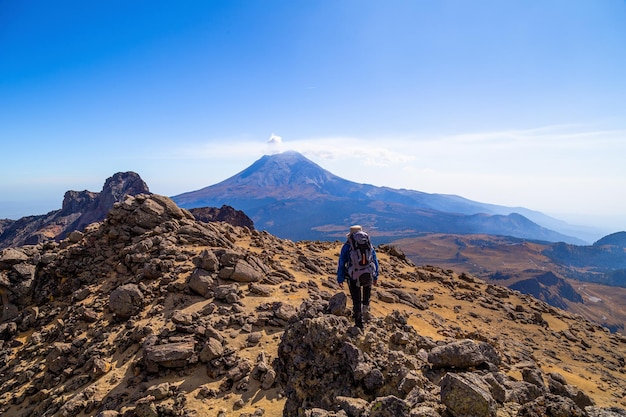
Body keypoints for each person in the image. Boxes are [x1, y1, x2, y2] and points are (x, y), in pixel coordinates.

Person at [337, 225, 379, 329]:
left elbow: (342, 263)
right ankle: (366, 315)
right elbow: (374, 259)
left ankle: (359, 323)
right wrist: (375, 275)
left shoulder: (347, 246)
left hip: (353, 276)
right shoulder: (368, 244)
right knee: (366, 297)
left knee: (356, 300)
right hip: (368, 274)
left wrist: (340, 278)